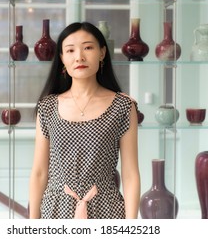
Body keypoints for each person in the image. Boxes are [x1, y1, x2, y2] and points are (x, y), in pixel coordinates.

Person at [29, 22, 140, 219]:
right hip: (56, 209)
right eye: (70, 50)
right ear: (62, 59)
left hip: (107, 208)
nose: (79, 56)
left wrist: (131, 227)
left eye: (88, 47)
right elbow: (39, 173)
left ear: (102, 53)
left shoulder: (123, 107)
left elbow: (130, 174)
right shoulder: (47, 107)